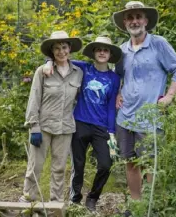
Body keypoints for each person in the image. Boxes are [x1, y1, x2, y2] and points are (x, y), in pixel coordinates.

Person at [112, 1, 176, 200]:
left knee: (150, 163)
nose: (135, 21)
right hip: (125, 116)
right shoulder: (122, 50)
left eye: (138, 17)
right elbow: (117, 77)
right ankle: (137, 204)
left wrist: (169, 95)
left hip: (150, 117)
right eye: (130, 18)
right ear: (125, 22)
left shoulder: (158, 44)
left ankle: (151, 205)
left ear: (145, 20)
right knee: (130, 163)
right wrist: (118, 92)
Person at [44, 36, 121, 211]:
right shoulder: (83, 68)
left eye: (106, 50)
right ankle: (75, 198)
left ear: (110, 54)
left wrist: (111, 132)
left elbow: (111, 107)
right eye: (98, 49)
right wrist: (49, 62)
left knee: (105, 164)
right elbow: (60, 57)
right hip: (79, 123)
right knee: (78, 165)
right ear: (93, 52)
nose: (102, 52)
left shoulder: (114, 78)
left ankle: (92, 198)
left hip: (101, 127)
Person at [19, 30, 83, 203]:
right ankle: (28, 199)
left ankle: (56, 202)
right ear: (52, 52)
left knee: (59, 168)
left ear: (70, 48)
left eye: (64, 47)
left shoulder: (78, 72)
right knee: (35, 166)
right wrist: (34, 126)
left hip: (65, 128)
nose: (61, 51)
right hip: (43, 126)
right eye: (57, 48)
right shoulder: (43, 71)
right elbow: (34, 98)